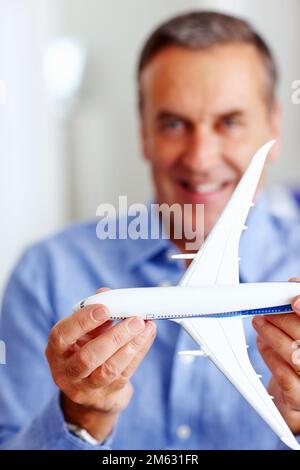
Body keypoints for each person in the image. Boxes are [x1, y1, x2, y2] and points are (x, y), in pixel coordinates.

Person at [1, 11, 300, 450]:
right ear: (143, 132)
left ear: (273, 124)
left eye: (230, 122)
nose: (200, 158)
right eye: (174, 123)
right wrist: (82, 417)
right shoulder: (46, 273)